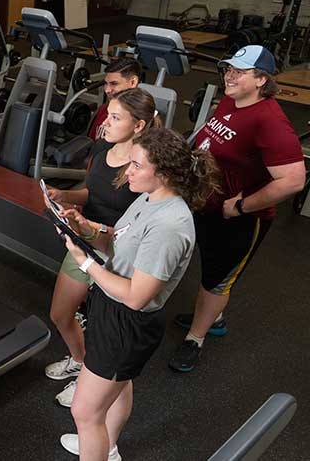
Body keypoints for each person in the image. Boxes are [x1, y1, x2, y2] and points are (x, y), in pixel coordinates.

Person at [56, 128, 220, 460]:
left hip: (127, 321)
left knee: (85, 413)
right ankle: (108, 447)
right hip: (111, 309)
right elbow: (121, 240)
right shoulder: (148, 197)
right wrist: (88, 228)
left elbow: (136, 296)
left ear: (163, 174)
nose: (127, 171)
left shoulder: (170, 225)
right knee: (120, 385)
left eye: (136, 166)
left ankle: (98, 446)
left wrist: (85, 262)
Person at [168, 45, 305, 373]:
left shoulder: (270, 121)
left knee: (217, 280)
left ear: (261, 79)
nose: (229, 76)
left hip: (239, 217)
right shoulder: (232, 99)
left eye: (239, 71)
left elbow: (293, 180)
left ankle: (196, 338)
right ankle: (212, 316)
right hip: (207, 203)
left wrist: (242, 206)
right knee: (207, 266)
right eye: (228, 68)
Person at [43, 88, 161, 409]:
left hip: (118, 253)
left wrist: (94, 228)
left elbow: (142, 222)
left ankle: (89, 381)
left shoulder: (143, 166)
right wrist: (64, 196)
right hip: (85, 242)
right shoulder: (102, 147)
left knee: (102, 330)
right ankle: (80, 363)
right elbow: (91, 191)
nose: (105, 123)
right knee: (60, 314)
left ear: (138, 125)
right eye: (108, 115)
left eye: (115, 118)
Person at [87, 58, 142, 144]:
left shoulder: (140, 119)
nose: (107, 90)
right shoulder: (103, 110)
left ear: (133, 82)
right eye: (106, 83)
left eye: (114, 83)